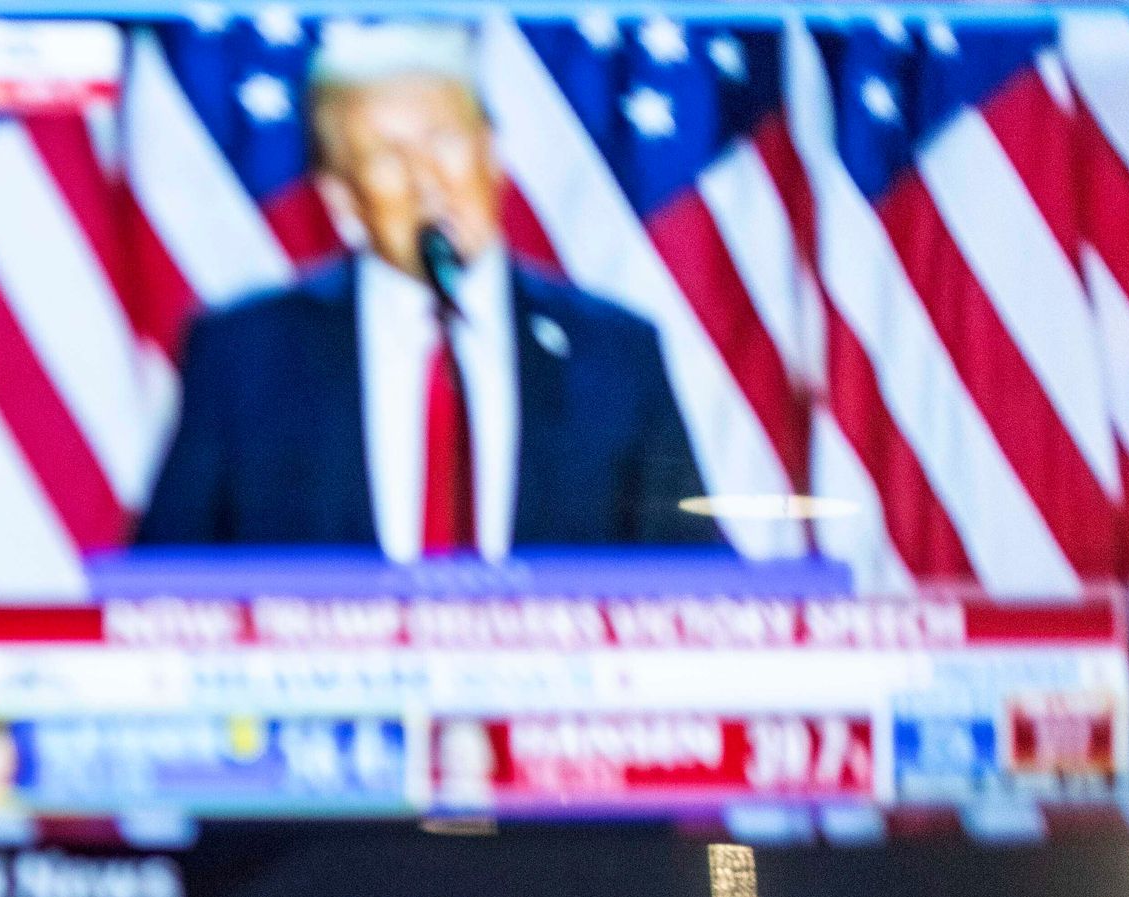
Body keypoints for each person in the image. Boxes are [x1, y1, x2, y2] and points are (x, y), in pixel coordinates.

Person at [134, 21, 714, 557]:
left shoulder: (613, 353)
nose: (427, 181)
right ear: (342, 200)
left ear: (493, 155)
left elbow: (691, 582)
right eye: (388, 157)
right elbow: (164, 590)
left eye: (445, 142)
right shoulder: (247, 356)